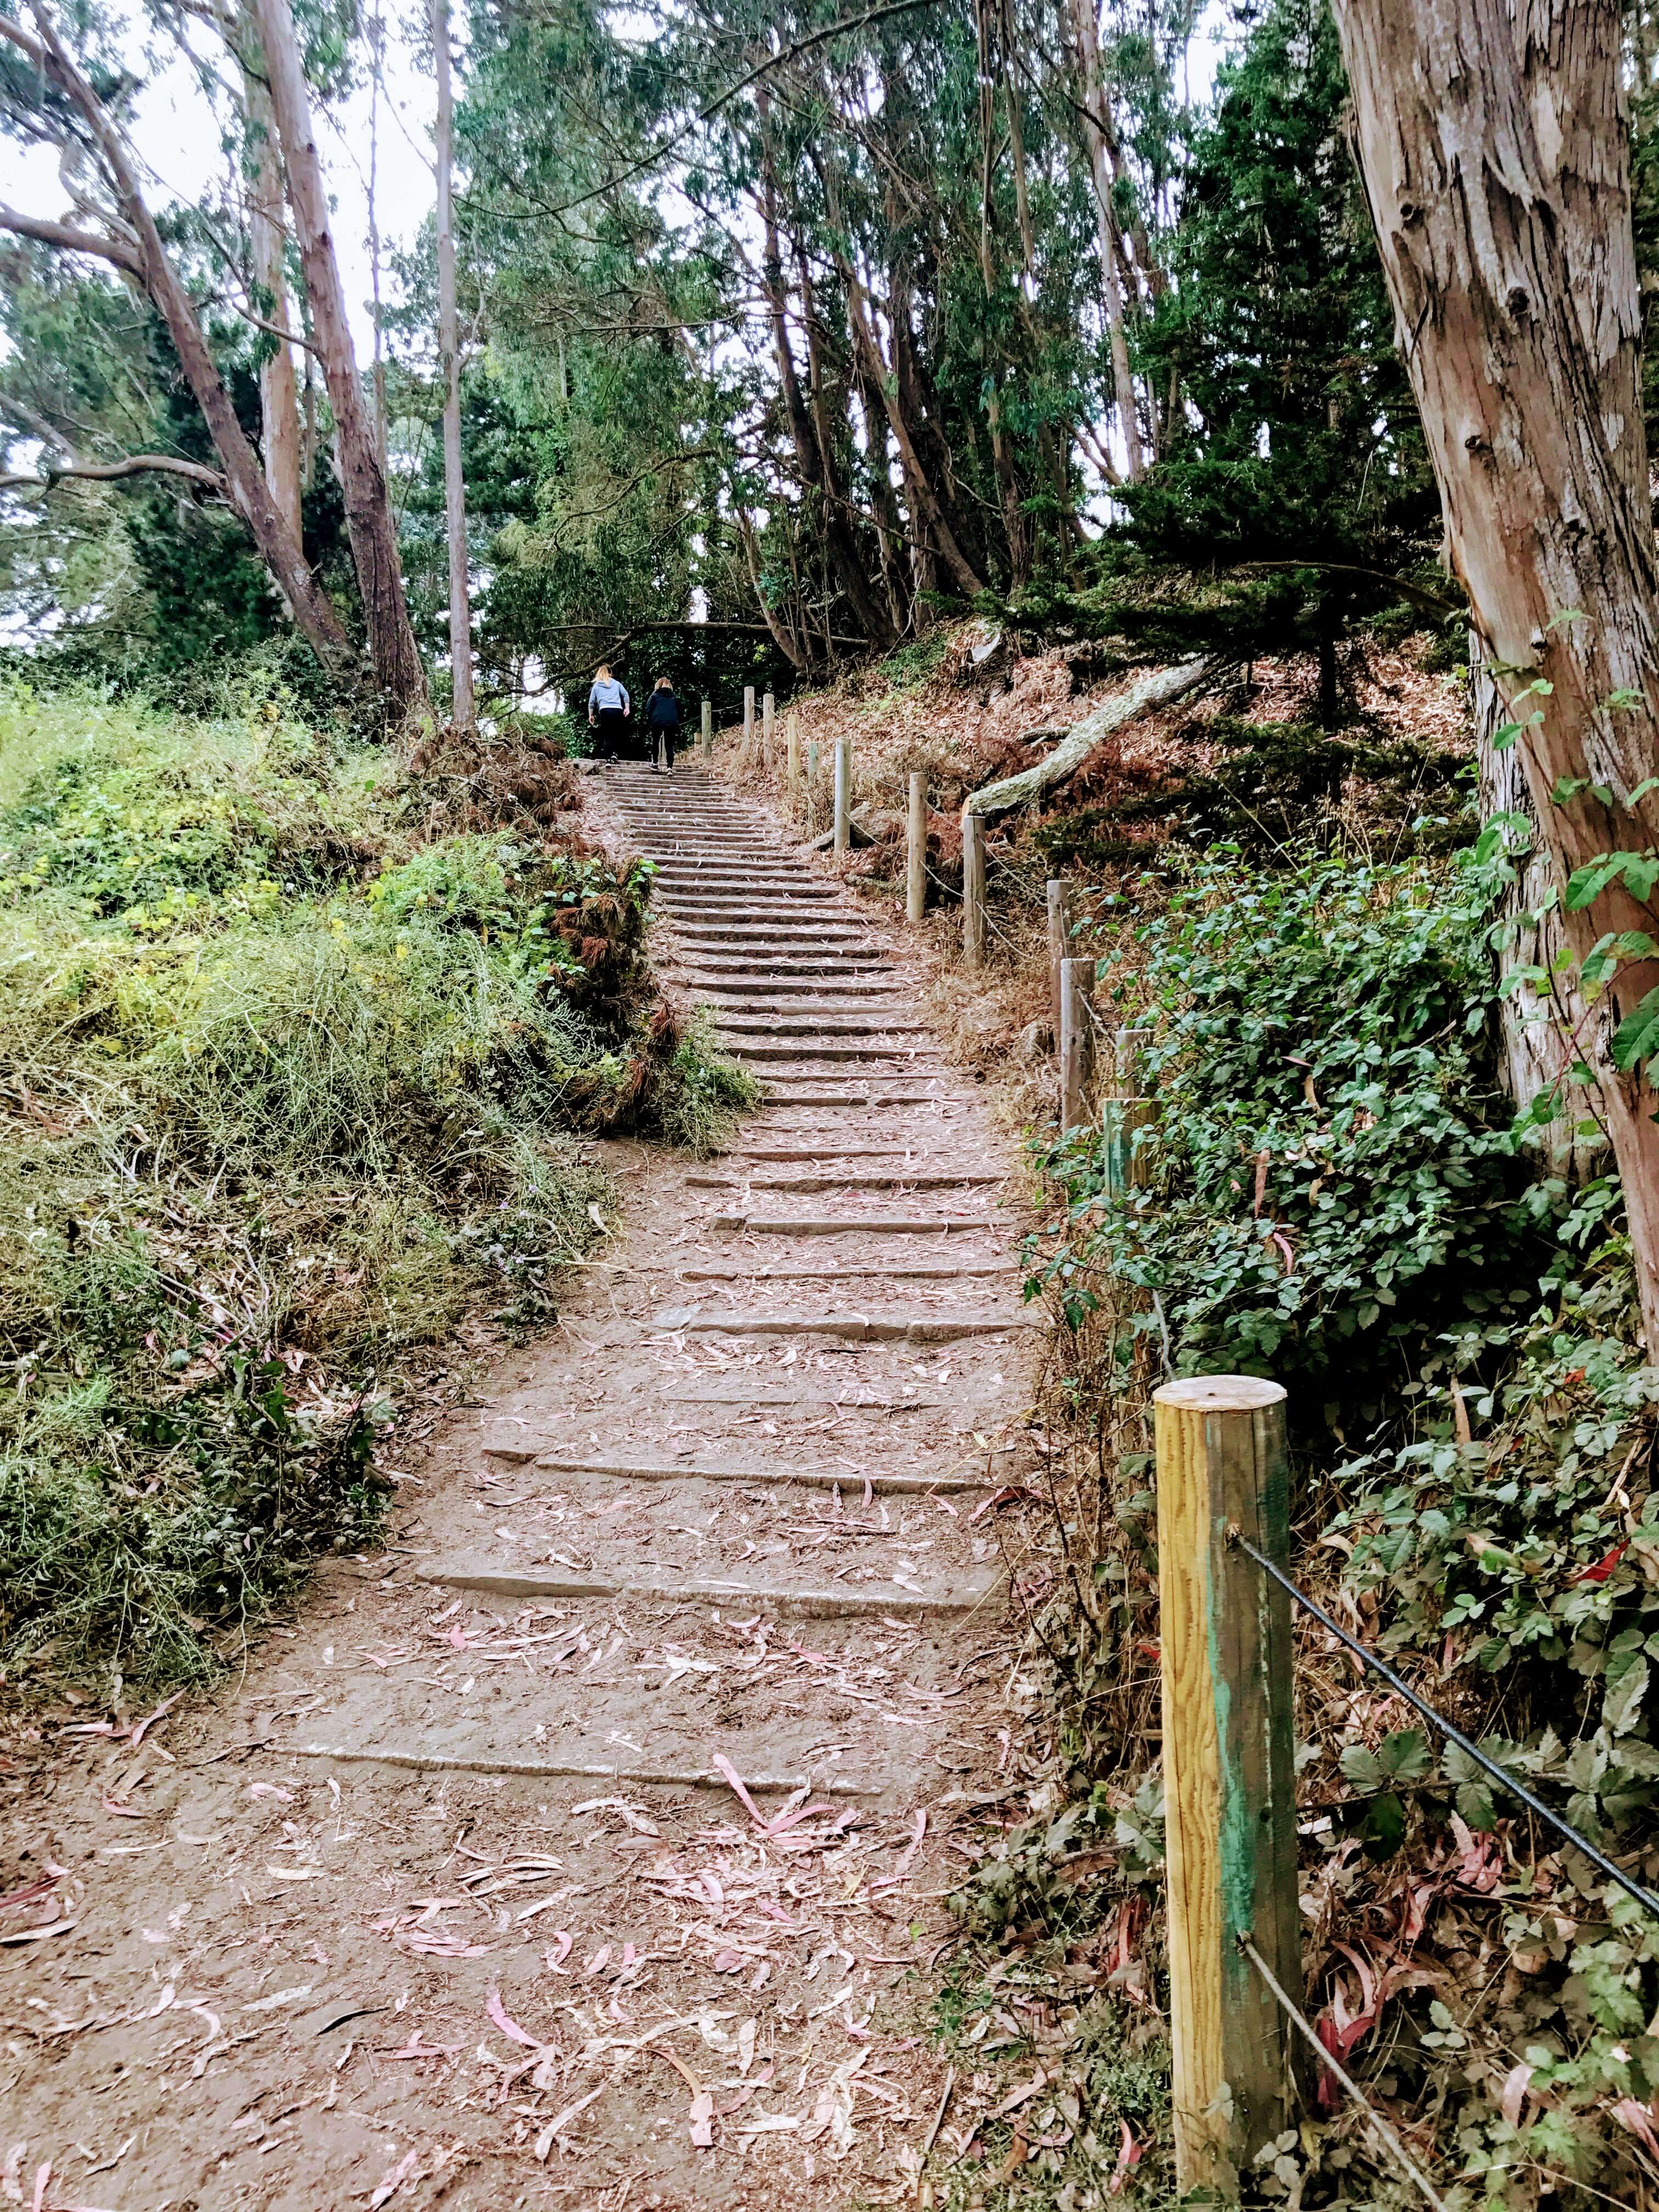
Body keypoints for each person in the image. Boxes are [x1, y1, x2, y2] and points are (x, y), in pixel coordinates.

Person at [587, 664, 630, 759]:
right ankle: (614, 754)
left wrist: (591, 715)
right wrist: (627, 708)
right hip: (617, 710)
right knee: (616, 733)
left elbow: (592, 702)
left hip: (605, 710)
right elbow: (625, 694)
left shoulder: (596, 686)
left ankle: (607, 759)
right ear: (610, 674)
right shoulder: (617, 683)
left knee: (607, 735)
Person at [645, 675, 681, 772]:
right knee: (670, 745)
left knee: (655, 742)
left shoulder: (655, 695)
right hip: (671, 722)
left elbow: (648, 709)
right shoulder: (674, 697)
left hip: (657, 721)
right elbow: (679, 710)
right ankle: (670, 767)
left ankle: (655, 763)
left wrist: (651, 718)